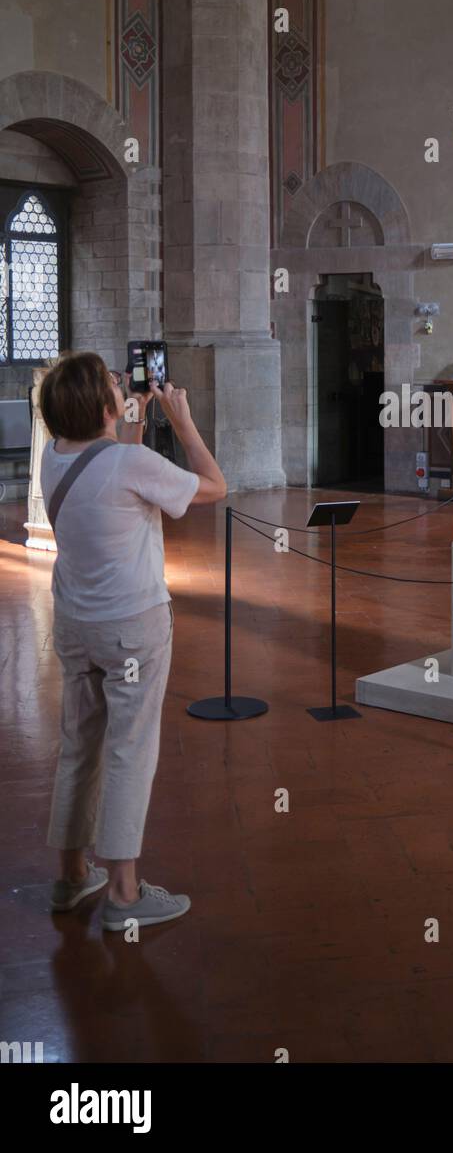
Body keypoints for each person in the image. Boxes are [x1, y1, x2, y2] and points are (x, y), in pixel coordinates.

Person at [39, 352, 226, 929]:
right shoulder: (130, 463)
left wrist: (135, 420)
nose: (124, 389)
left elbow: (111, 462)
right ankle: (123, 894)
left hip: (75, 624)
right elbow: (215, 487)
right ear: (102, 408)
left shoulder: (54, 456)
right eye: (115, 388)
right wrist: (181, 417)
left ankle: (72, 876)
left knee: (80, 745)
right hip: (130, 629)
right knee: (129, 751)